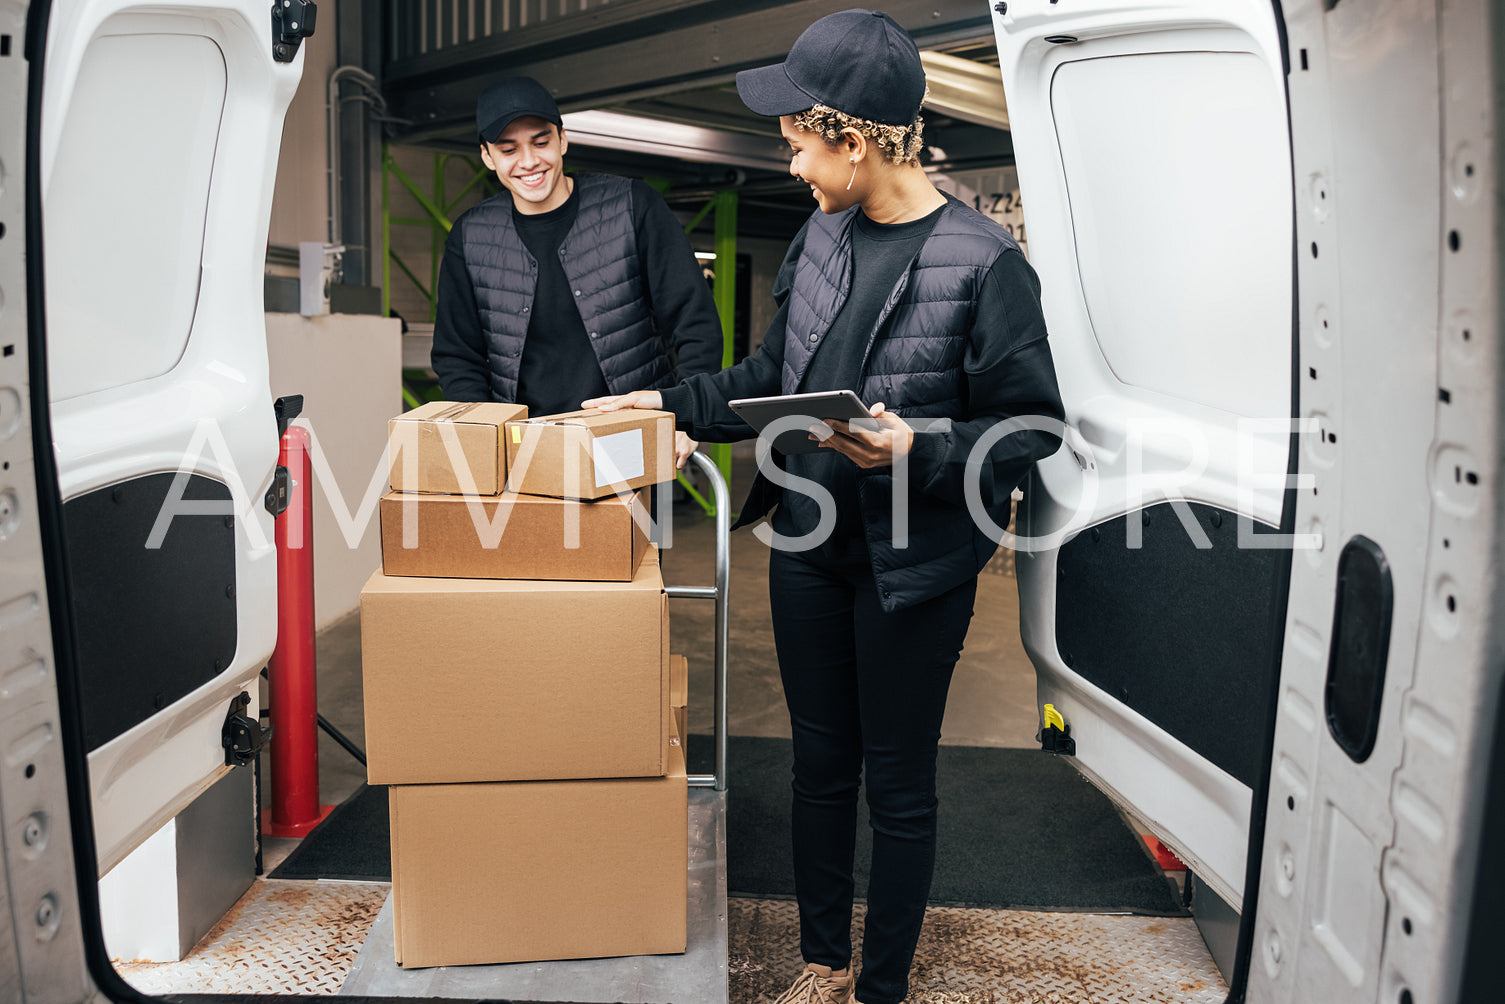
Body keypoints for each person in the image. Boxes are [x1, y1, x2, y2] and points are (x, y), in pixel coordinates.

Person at [586, 10, 1066, 1003]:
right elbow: (772, 372)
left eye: (798, 141)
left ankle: (880, 985)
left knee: (895, 787)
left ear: (851, 140)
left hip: (911, 567)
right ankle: (823, 962)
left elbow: (1029, 429)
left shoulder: (983, 264)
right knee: (817, 767)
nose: (791, 161)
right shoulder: (820, 233)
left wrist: (915, 446)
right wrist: (669, 402)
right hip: (806, 544)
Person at [431, 75, 722, 467]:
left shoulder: (633, 206)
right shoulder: (471, 235)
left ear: (563, 139)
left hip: (627, 438)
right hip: (522, 450)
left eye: (541, 141)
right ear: (487, 156)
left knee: (632, 532)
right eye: (508, 149)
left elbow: (694, 320)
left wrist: (687, 416)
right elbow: (456, 353)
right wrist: (485, 436)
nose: (529, 161)